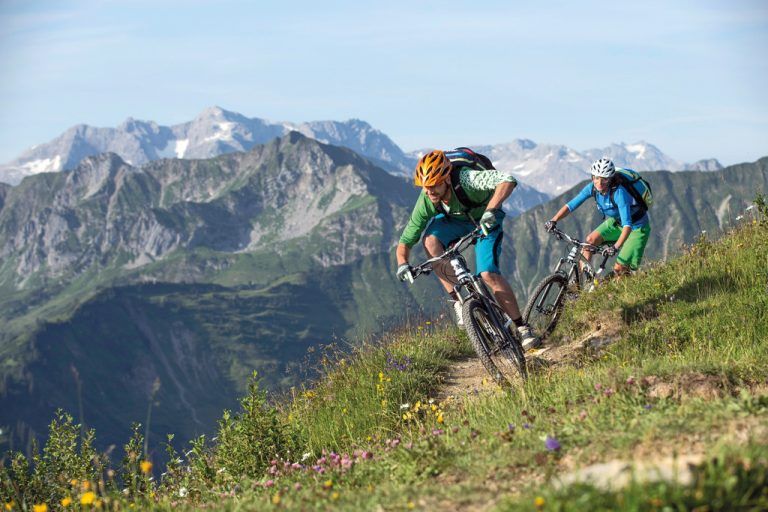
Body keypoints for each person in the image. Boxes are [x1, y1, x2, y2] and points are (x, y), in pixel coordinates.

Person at [394, 149, 540, 350]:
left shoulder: (467, 179)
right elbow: (405, 241)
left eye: (434, 185)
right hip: (455, 221)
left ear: (446, 178)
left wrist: (490, 211)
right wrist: (403, 264)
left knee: (488, 274)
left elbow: (507, 180)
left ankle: (522, 328)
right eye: (425, 187)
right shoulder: (427, 198)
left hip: (486, 220)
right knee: (429, 241)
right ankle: (458, 300)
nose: (429, 191)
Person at [545, 158, 651, 276]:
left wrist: (615, 247)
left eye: (604, 179)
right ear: (592, 177)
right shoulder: (592, 188)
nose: (599, 183)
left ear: (610, 179)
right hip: (617, 223)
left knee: (619, 269)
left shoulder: (619, 193)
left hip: (637, 228)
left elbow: (628, 225)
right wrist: (554, 220)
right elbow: (571, 205)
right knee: (589, 242)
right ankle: (577, 287)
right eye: (596, 178)